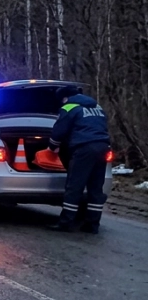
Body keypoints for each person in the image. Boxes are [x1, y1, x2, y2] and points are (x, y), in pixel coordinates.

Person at [47, 85, 111, 233]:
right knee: (96, 188)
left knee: (74, 186)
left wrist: (52, 147)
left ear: (65, 98)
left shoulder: (69, 107)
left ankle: (66, 223)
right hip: (103, 147)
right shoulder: (97, 107)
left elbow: (59, 131)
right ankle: (92, 225)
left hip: (84, 149)